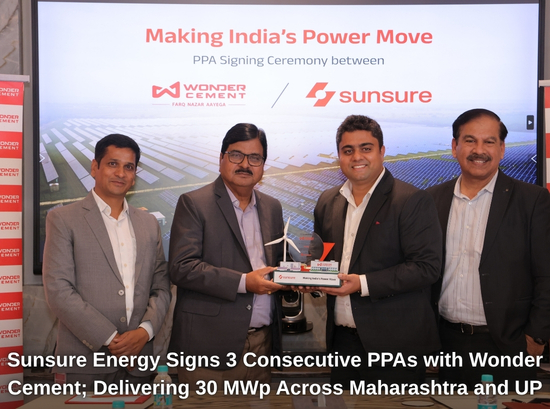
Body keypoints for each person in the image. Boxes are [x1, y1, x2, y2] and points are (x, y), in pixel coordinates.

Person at [312, 114, 442, 388]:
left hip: (396, 347)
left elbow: (426, 268)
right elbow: (321, 258)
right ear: (339, 156)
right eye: (348, 150)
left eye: (366, 148)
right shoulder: (327, 201)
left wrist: (362, 283)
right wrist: (309, 279)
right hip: (343, 344)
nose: (357, 157)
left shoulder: (412, 200)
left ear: (382, 151)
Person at [427, 108, 550, 389]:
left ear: (502, 149)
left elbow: (547, 274)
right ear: (455, 147)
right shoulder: (431, 200)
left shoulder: (532, 201)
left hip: (509, 346)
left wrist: (536, 338)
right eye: (470, 141)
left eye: (489, 142)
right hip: (446, 346)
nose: (479, 150)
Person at [43, 134, 171, 387]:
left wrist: (144, 332)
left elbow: (161, 287)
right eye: (113, 164)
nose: (121, 173)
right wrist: (113, 339)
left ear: (134, 175)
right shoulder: (63, 219)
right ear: (95, 167)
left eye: (129, 167)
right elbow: (58, 290)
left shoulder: (148, 224)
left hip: (138, 363)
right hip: (84, 363)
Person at [169, 123, 285, 386]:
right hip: (209, 348)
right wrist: (244, 282)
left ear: (263, 165)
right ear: (221, 158)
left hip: (262, 347)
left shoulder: (272, 207)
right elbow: (181, 267)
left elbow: (277, 265)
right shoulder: (194, 203)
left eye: (254, 158)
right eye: (236, 155)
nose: (245, 164)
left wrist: (299, 277)